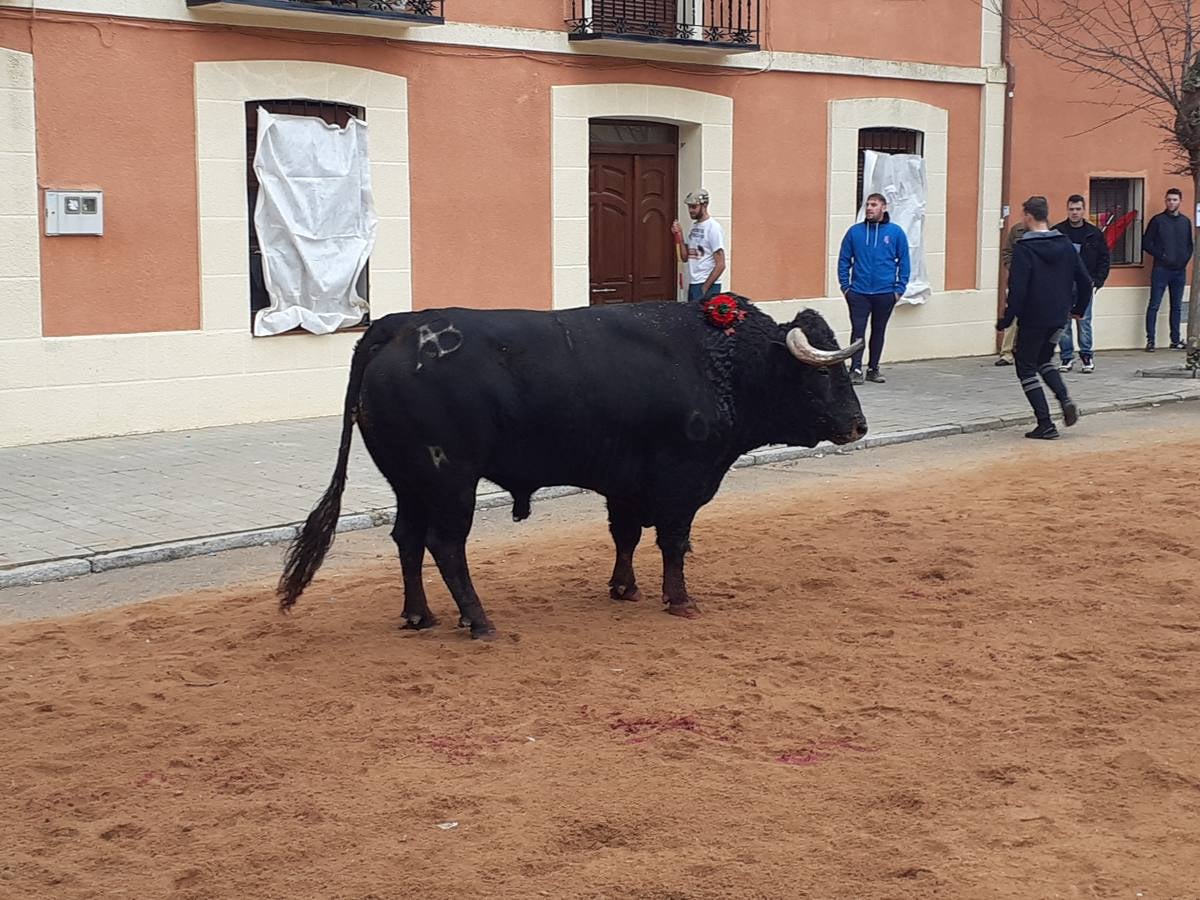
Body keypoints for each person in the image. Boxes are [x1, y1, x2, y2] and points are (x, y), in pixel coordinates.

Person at [996, 196, 1093, 440]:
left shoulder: (1024, 249)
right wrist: (1078, 309)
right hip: (1059, 316)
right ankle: (1064, 398)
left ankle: (1045, 423)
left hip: (1033, 317)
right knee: (1044, 359)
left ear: (1028, 216)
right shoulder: (1066, 244)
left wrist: (1007, 320)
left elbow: (1018, 290)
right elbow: (1085, 280)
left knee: (1025, 366)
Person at [837, 192, 910, 384]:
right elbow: (844, 260)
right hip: (858, 293)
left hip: (885, 293)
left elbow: (905, 262)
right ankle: (855, 369)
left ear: (883, 208)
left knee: (879, 331)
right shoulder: (854, 232)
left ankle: (873, 368)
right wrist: (846, 288)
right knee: (858, 331)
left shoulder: (896, 233)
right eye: (868, 205)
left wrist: (898, 290)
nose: (869, 208)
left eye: (874, 205)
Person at [1053, 194, 1110, 373]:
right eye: (1071, 209)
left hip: (1085, 284)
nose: (1075, 213)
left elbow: (1104, 258)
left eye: (1078, 209)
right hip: (1063, 285)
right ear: (1067, 210)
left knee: (1084, 322)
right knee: (1064, 323)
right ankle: (1066, 358)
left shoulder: (1094, 233)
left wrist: (1098, 280)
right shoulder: (1058, 232)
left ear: (1083, 210)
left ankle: (1086, 356)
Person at [1142, 187, 1193, 351]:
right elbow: (1146, 243)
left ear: (1180, 201)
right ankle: (1150, 341)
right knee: (1154, 305)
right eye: (1169, 200)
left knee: (1176, 306)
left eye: (1175, 200)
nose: (1171, 202)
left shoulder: (1185, 221)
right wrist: (1162, 256)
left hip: (1179, 270)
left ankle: (1176, 340)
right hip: (1161, 269)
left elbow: (1189, 245)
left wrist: (1184, 259)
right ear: (1165, 201)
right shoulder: (1157, 220)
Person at [671, 189, 725, 302]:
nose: (690, 210)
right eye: (689, 207)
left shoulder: (713, 228)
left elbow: (721, 264)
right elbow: (685, 257)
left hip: (706, 284)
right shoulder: (694, 226)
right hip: (693, 282)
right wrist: (679, 236)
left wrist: (704, 288)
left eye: (694, 207)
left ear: (704, 205)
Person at [995, 219, 1029, 366]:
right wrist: (1012, 267)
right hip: (1017, 280)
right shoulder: (1017, 230)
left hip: (1038, 283)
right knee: (1013, 315)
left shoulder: (1048, 231)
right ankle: (1007, 353)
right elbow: (1007, 252)